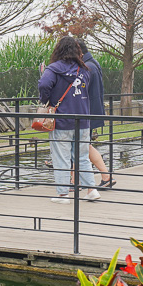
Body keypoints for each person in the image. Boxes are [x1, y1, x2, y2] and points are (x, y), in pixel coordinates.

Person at [37, 36, 100, 203]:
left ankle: (63, 194)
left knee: (61, 157)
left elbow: (44, 85)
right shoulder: (85, 70)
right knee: (82, 157)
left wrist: (46, 98)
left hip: (62, 120)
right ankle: (91, 189)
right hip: (83, 120)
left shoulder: (53, 69)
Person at [76, 38, 114, 188]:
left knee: (82, 146)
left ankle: (104, 176)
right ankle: (77, 180)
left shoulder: (87, 67)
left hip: (87, 113)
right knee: (82, 146)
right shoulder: (93, 63)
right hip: (92, 111)